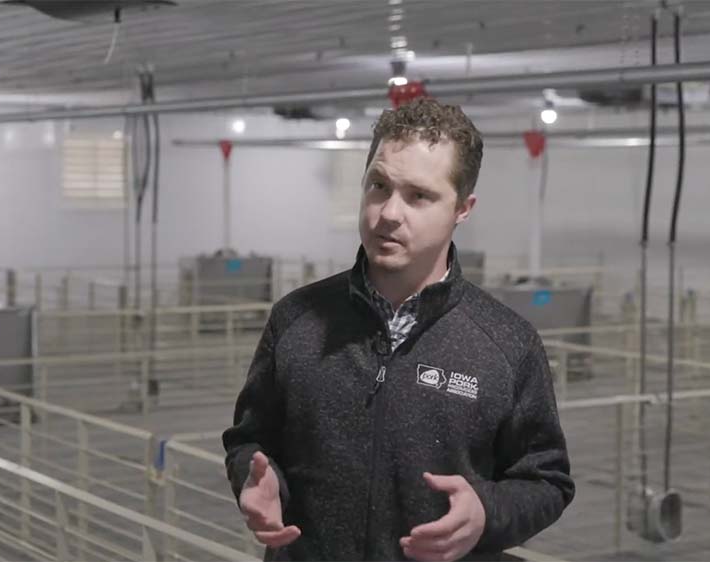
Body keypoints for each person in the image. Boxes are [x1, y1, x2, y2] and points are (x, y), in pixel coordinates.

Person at [222, 97, 574, 562]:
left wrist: (487, 513)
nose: (388, 213)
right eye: (378, 185)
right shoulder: (296, 318)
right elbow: (250, 438)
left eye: (419, 196)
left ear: (463, 209)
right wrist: (255, 478)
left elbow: (545, 480)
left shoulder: (508, 344)